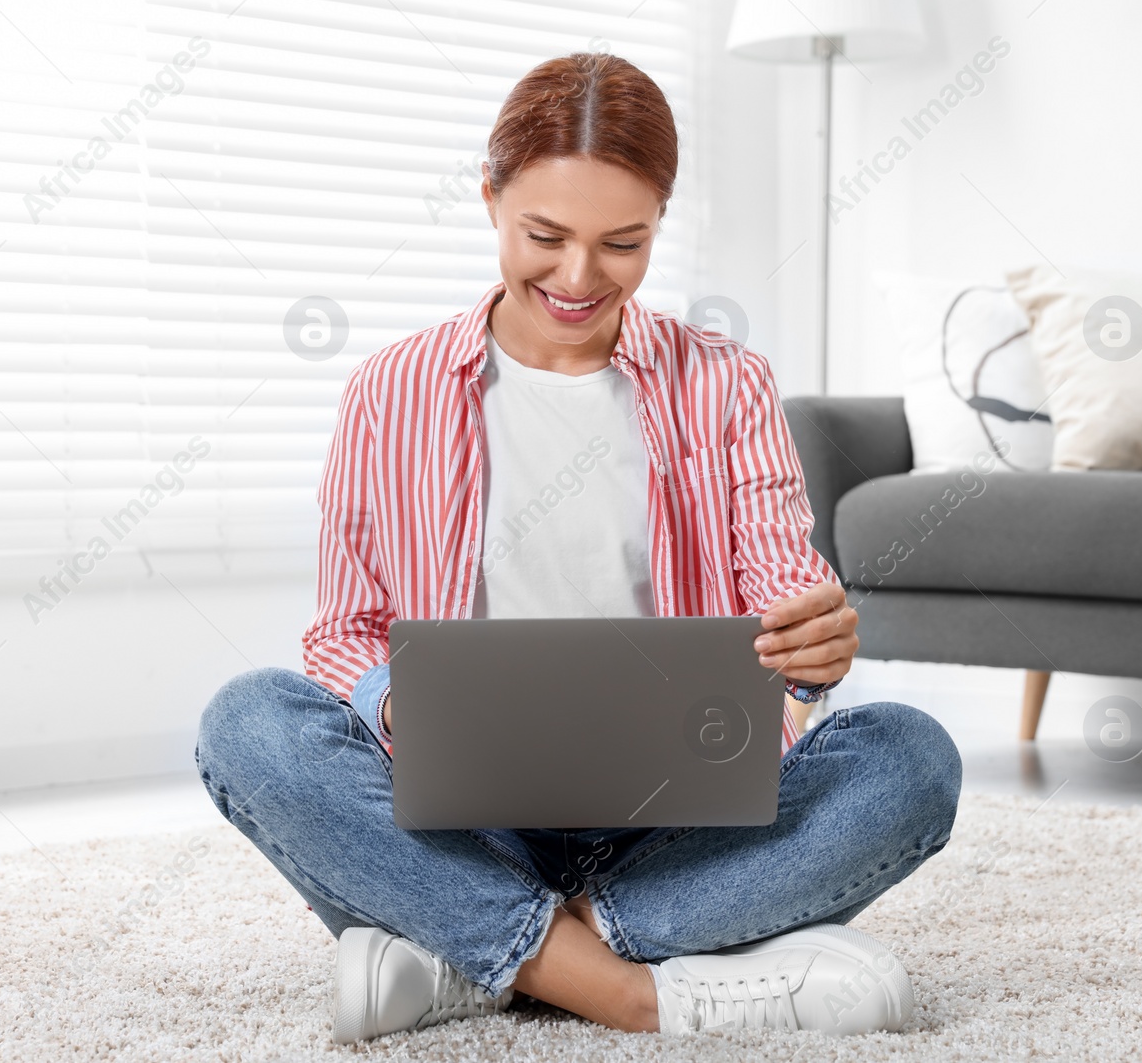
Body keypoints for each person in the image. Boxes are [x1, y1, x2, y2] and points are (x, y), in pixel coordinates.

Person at [195, 51, 962, 1042]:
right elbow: (343, 631)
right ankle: (637, 986)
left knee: (909, 755)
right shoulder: (389, 390)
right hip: (463, 819)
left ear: (659, 225)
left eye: (622, 243)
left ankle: (471, 952)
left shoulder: (726, 385)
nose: (576, 277)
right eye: (544, 235)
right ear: (490, 198)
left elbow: (785, 593)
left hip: (677, 820)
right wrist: (397, 703)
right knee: (247, 723)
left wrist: (810, 651)